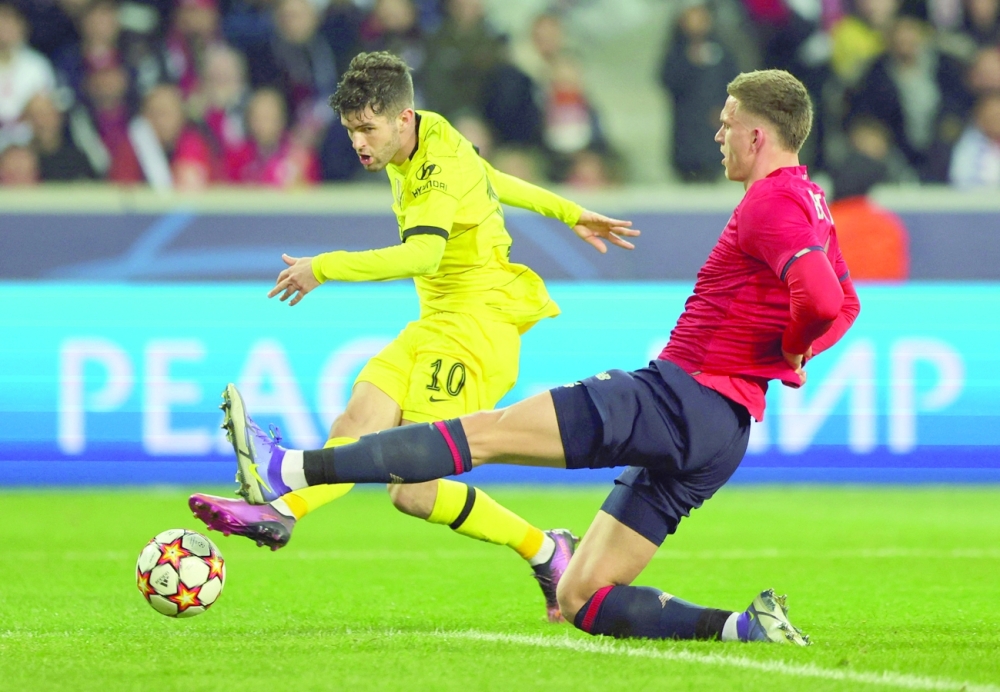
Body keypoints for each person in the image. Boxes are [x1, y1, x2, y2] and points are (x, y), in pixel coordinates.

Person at [217, 68, 860, 645]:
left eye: (725, 126)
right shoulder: (811, 200)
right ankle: (743, 628)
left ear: (755, 136)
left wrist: (795, 346)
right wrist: (793, 355)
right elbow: (847, 305)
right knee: (582, 598)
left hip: (674, 396)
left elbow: (826, 303)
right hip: (723, 431)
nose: (716, 135)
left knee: (478, 440)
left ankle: (292, 470)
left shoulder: (770, 200)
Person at [189, 51, 639, 623]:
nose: (359, 143)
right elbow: (493, 180)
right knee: (353, 427)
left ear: (402, 118)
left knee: (412, 489)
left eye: (368, 129)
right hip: (436, 323)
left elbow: (424, 253)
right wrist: (568, 211)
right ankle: (285, 511)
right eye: (352, 130)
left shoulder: (436, 167)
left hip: (477, 329)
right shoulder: (431, 131)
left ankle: (550, 552)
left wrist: (323, 267)